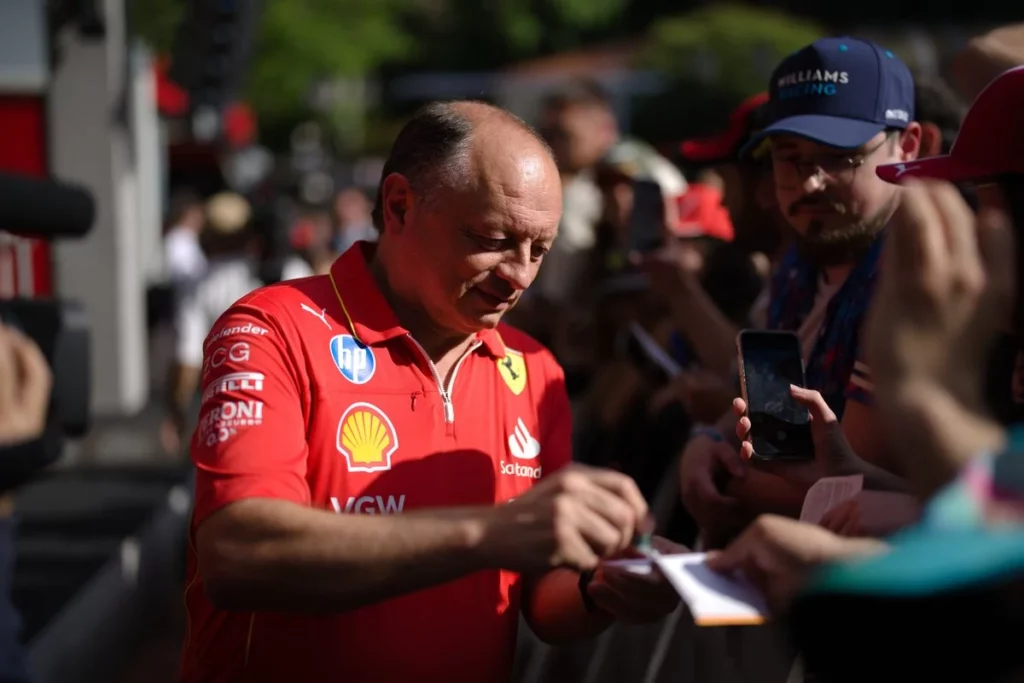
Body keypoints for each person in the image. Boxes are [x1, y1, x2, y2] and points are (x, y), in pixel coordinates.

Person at [180, 101, 683, 683]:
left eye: (539, 250)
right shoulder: (274, 327)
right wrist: (492, 533)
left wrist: (602, 587)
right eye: (493, 238)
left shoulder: (533, 367)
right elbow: (241, 554)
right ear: (399, 205)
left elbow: (541, 599)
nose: (518, 275)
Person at [678, 37, 923, 547]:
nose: (811, 184)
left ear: (910, 146)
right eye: (789, 159)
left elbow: (846, 484)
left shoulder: (916, 277)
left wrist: (724, 478)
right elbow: (766, 409)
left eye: (840, 158)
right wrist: (707, 440)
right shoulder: (803, 255)